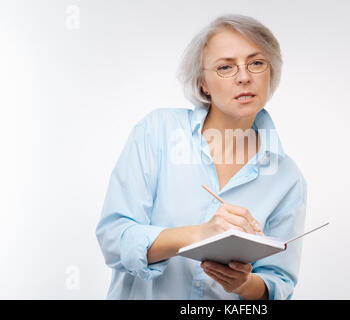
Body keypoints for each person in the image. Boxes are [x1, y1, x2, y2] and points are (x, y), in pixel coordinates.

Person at [95, 13, 307, 300]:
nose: (244, 76)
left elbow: (278, 284)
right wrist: (199, 235)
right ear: (203, 83)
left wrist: (243, 284)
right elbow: (114, 240)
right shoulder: (157, 131)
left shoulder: (286, 176)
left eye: (256, 63)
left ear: (270, 73)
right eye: (225, 67)